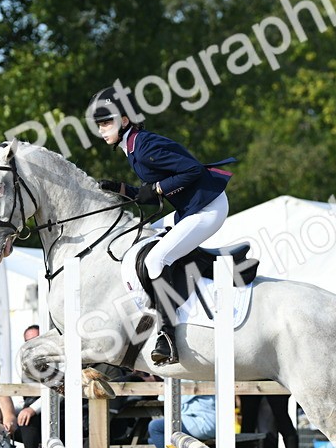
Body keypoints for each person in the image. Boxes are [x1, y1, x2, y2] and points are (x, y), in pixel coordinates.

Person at [90, 85, 234, 366]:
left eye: (106, 122)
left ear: (126, 120)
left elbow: (193, 170)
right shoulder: (132, 146)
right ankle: (199, 268)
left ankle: (167, 334)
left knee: (156, 258)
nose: (101, 129)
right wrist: (121, 189)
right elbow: (148, 192)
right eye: (99, 124)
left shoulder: (144, 146)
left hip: (208, 207)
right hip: (189, 208)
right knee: (144, 235)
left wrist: (156, 189)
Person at [147, 395, 217, 448]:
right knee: (153, 439)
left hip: (203, 423)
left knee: (155, 427)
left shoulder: (187, 383)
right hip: (212, 422)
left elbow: (163, 397)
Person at [15, 324, 47, 448]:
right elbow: (23, 397)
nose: (33, 345)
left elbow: (60, 392)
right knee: (0, 417)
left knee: (28, 421)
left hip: (59, 414)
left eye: (37, 339)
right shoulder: (26, 364)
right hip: (33, 411)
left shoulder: (58, 360)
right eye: (28, 341)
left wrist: (32, 409)